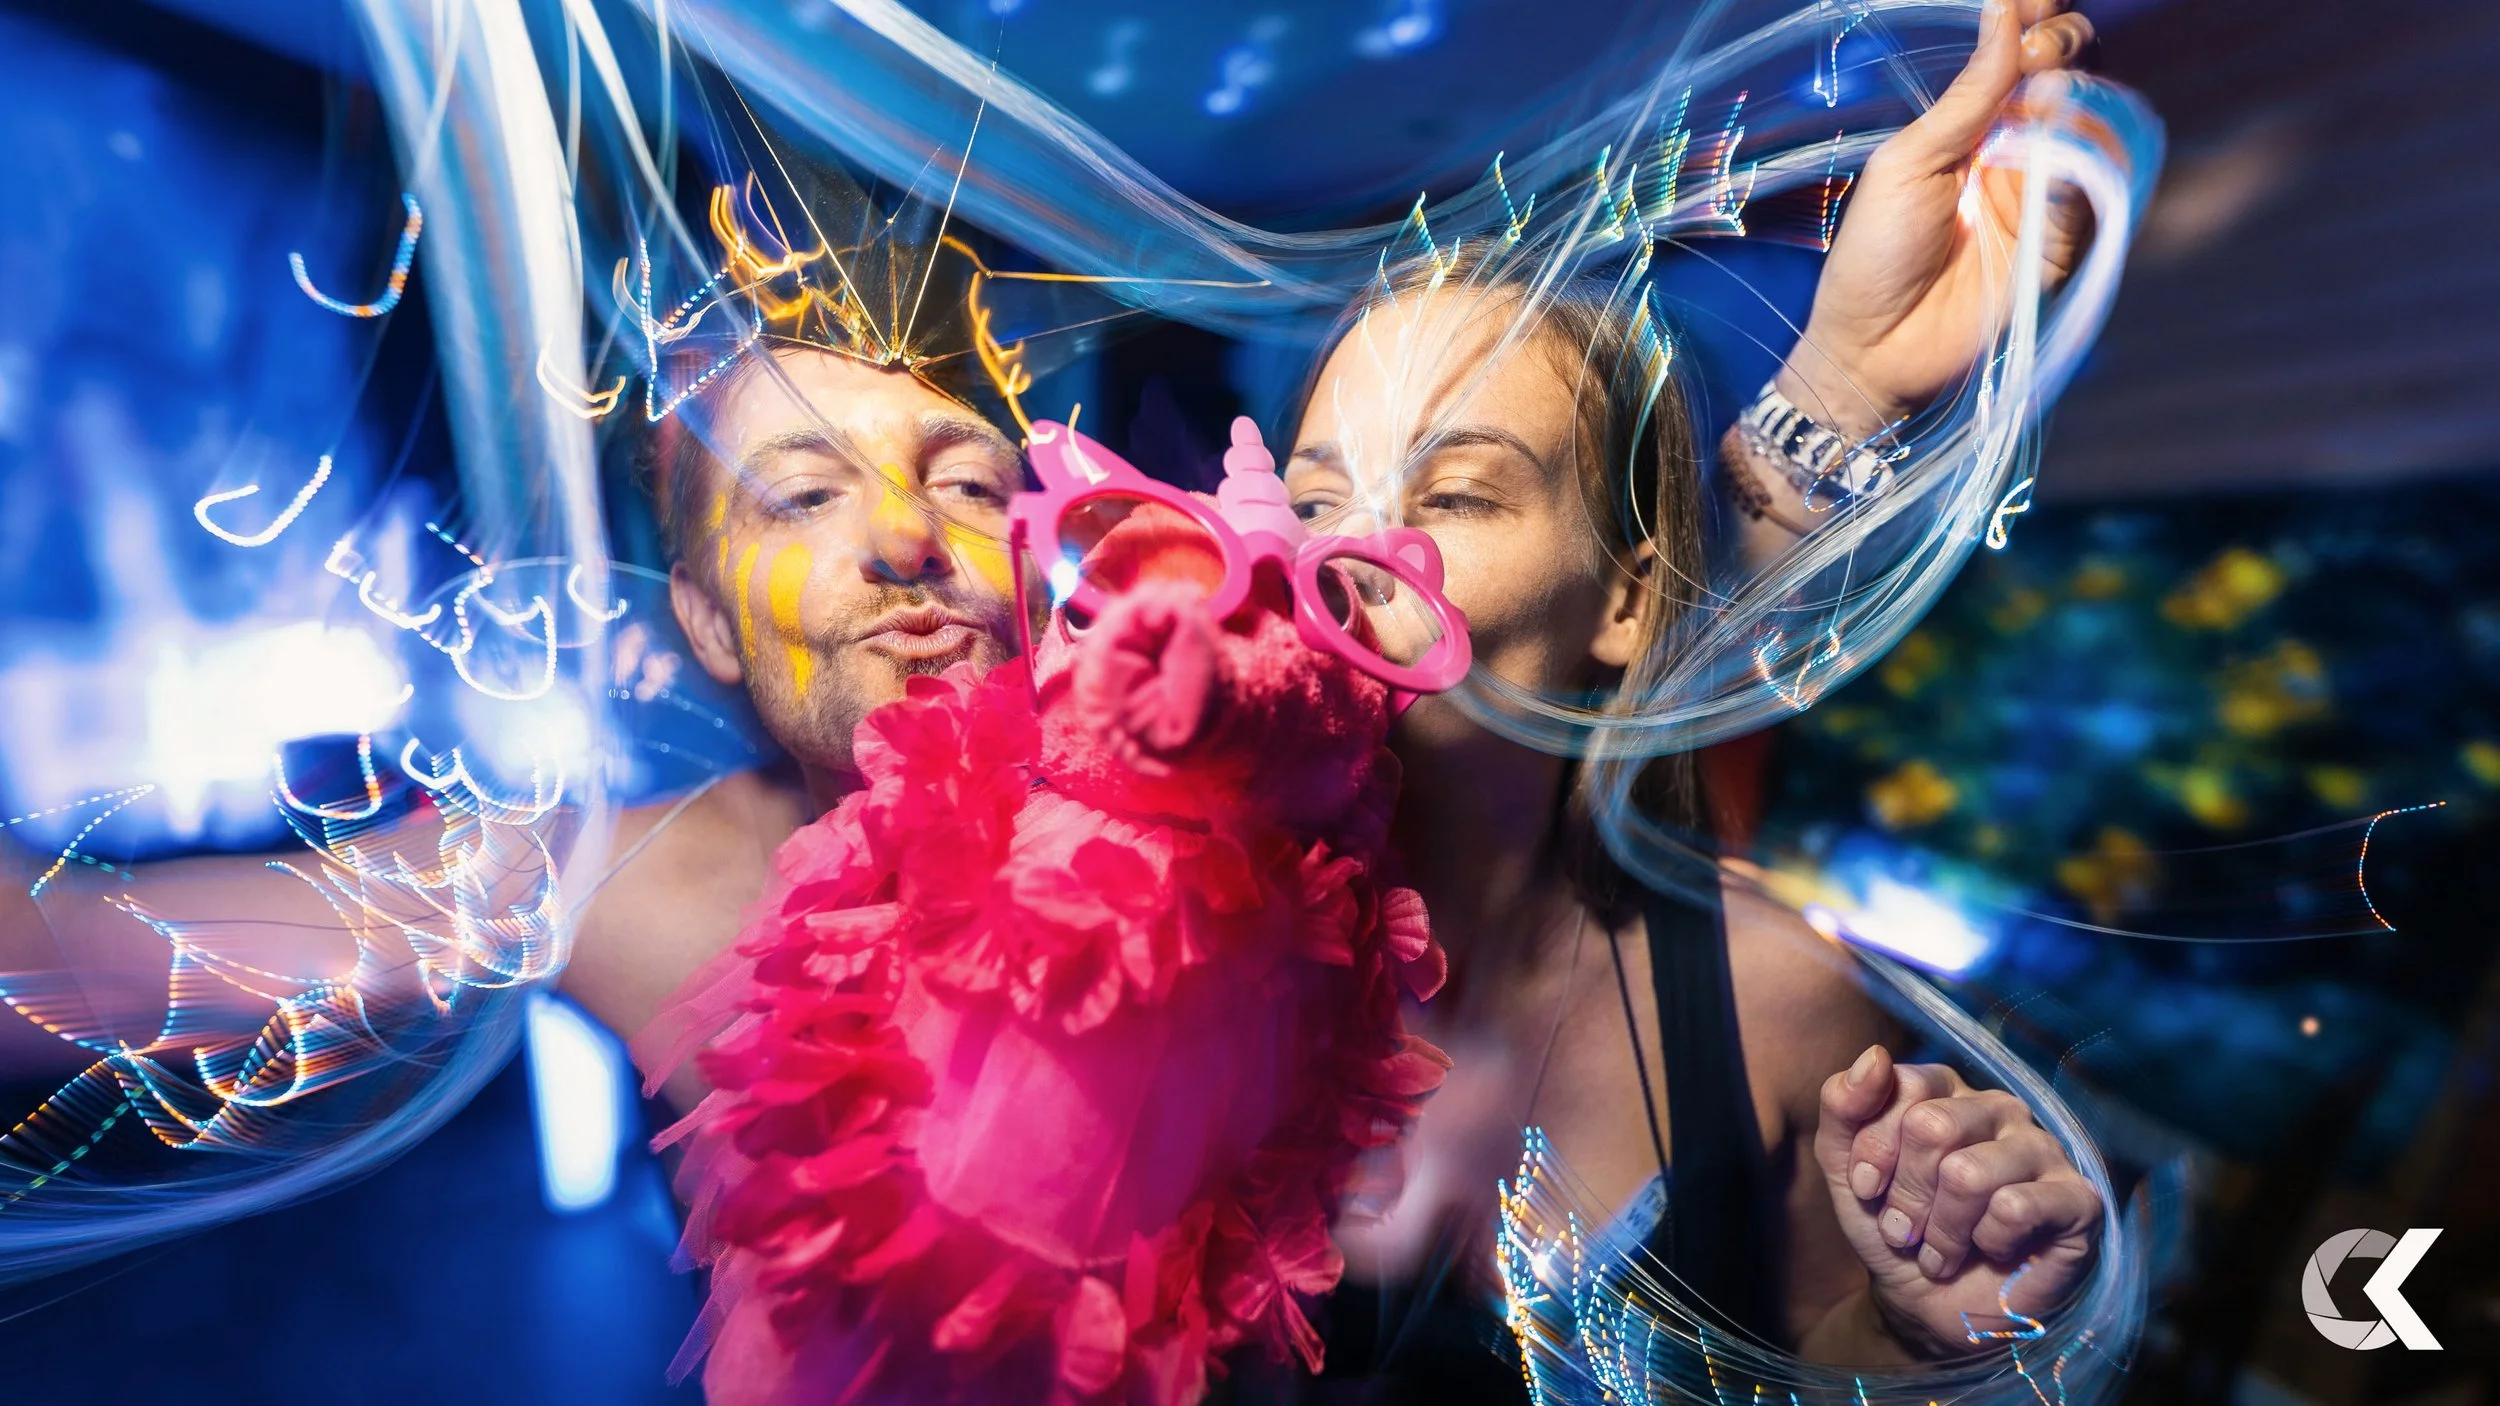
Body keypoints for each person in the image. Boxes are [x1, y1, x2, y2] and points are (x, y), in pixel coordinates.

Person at [0, 0, 2103, 1379]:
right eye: (801, 492)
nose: (906, 539)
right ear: (701, 627)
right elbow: (76, 962)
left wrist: (1822, 398)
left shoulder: (1251, 826)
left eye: (965, 478)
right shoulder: (659, 882)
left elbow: (1495, 637)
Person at [1266, 0, 2105, 1385]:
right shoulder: (1126, 925)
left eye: (1456, 490)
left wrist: (1906, 1326)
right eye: (1309, 498)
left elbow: (1809, 1354)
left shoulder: (1777, 997)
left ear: (1622, 604)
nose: (1341, 553)